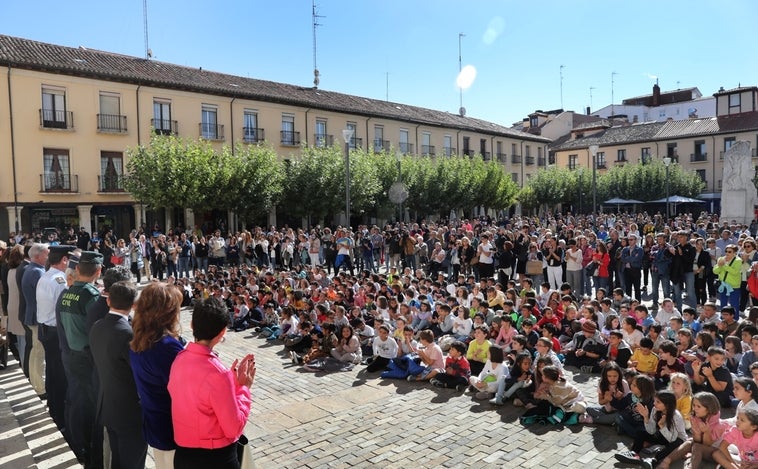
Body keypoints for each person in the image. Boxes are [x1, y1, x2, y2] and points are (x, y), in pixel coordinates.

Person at [168, 297, 255, 469]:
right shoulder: (218, 373)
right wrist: (243, 389)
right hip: (215, 458)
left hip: (184, 455)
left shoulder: (179, 359)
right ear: (222, 332)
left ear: (192, 325)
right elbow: (233, 427)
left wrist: (232, 386)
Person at [89, 281, 147, 469]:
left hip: (108, 406)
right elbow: (140, 372)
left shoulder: (97, 326)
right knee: (132, 462)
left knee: (118, 460)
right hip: (129, 412)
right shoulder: (129, 334)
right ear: (133, 305)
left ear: (108, 301)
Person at [129, 282, 185, 468]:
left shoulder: (139, 338)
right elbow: (184, 389)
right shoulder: (167, 347)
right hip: (172, 427)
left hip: (154, 420)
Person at [58, 251, 103, 466]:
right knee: (89, 403)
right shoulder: (90, 295)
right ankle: (85, 446)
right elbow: (96, 330)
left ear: (77, 270)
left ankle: (77, 441)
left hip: (71, 353)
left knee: (76, 398)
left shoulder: (67, 292)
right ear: (98, 271)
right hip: (87, 357)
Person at [35, 244, 73, 431]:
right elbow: (64, 311)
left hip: (45, 329)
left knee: (52, 371)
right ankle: (59, 416)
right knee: (59, 375)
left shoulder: (46, 275)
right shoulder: (59, 280)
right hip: (54, 331)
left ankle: (54, 408)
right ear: (64, 260)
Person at [614, 390, 687, 469]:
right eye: (655, 400)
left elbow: (672, 439)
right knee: (640, 432)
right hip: (662, 435)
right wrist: (646, 417)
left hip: (675, 439)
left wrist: (662, 426)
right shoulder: (655, 410)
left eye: (658, 402)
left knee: (676, 444)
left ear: (667, 405)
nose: (654, 403)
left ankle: (654, 460)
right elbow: (651, 431)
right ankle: (634, 453)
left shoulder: (676, 416)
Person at [21, 242, 48, 396]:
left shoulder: (32, 269)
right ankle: (40, 387)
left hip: (33, 315)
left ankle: (36, 383)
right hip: (37, 316)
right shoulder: (36, 272)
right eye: (46, 253)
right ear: (37, 256)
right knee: (39, 353)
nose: (48, 256)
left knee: (35, 351)